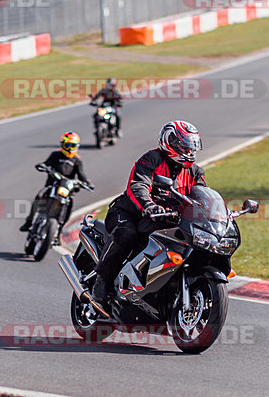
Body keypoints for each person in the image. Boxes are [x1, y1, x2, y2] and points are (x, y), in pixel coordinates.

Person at [90, 120, 204, 314]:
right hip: (129, 212)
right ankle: (101, 283)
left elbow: (201, 197)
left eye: (191, 147)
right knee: (127, 233)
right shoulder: (151, 159)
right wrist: (149, 205)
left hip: (165, 218)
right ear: (170, 142)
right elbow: (137, 186)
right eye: (184, 146)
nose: (189, 151)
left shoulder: (194, 171)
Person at [19, 131, 93, 243]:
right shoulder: (55, 155)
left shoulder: (77, 160)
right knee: (39, 196)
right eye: (67, 145)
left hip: (66, 189)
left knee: (69, 206)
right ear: (62, 145)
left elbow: (81, 174)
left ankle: (58, 232)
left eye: (72, 146)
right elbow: (46, 163)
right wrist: (44, 166)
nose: (69, 148)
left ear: (76, 146)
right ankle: (29, 221)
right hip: (52, 185)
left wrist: (87, 182)